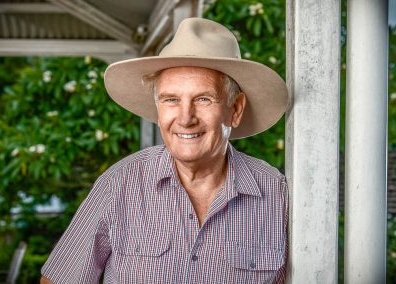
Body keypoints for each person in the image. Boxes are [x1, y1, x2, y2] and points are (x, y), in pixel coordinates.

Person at [40, 17, 289, 284]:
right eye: (171, 100)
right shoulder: (120, 183)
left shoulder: (276, 193)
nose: (185, 118)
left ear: (235, 109)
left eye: (203, 99)